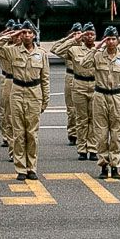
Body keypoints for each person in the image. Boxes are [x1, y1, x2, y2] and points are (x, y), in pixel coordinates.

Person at [0, 20, 49, 181]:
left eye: (29, 32)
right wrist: (9, 35)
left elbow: (45, 78)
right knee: (18, 132)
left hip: (34, 92)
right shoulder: (11, 51)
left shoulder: (41, 54)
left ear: (34, 35)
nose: (26, 35)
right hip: (17, 91)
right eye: (23, 32)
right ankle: (21, 168)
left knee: (32, 133)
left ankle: (32, 167)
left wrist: (45, 99)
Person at [89, 26, 120, 179]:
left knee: (116, 135)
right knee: (101, 134)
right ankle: (103, 165)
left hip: (118, 96)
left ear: (117, 40)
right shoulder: (98, 56)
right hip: (100, 96)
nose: (111, 42)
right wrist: (97, 47)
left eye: (114, 38)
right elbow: (83, 63)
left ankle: (115, 166)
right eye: (108, 39)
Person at [50, 24, 97, 161]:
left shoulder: (99, 50)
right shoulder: (74, 49)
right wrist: (71, 38)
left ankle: (93, 148)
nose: (88, 37)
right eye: (86, 34)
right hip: (77, 81)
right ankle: (82, 148)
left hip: (94, 84)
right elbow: (56, 50)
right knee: (80, 118)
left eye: (91, 34)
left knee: (93, 118)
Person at [0, 19, 17, 154]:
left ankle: (12, 138)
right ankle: (6, 136)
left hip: (17, 81)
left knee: (13, 114)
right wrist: (2, 35)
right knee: (4, 111)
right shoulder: (3, 47)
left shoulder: (21, 48)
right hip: (6, 79)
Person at [57, 22, 81, 145]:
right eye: (75, 33)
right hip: (71, 76)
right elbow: (55, 49)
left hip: (83, 79)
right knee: (71, 109)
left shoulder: (86, 47)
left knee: (84, 110)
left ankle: (84, 135)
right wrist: (68, 39)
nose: (78, 35)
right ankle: (73, 133)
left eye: (80, 33)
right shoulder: (69, 48)